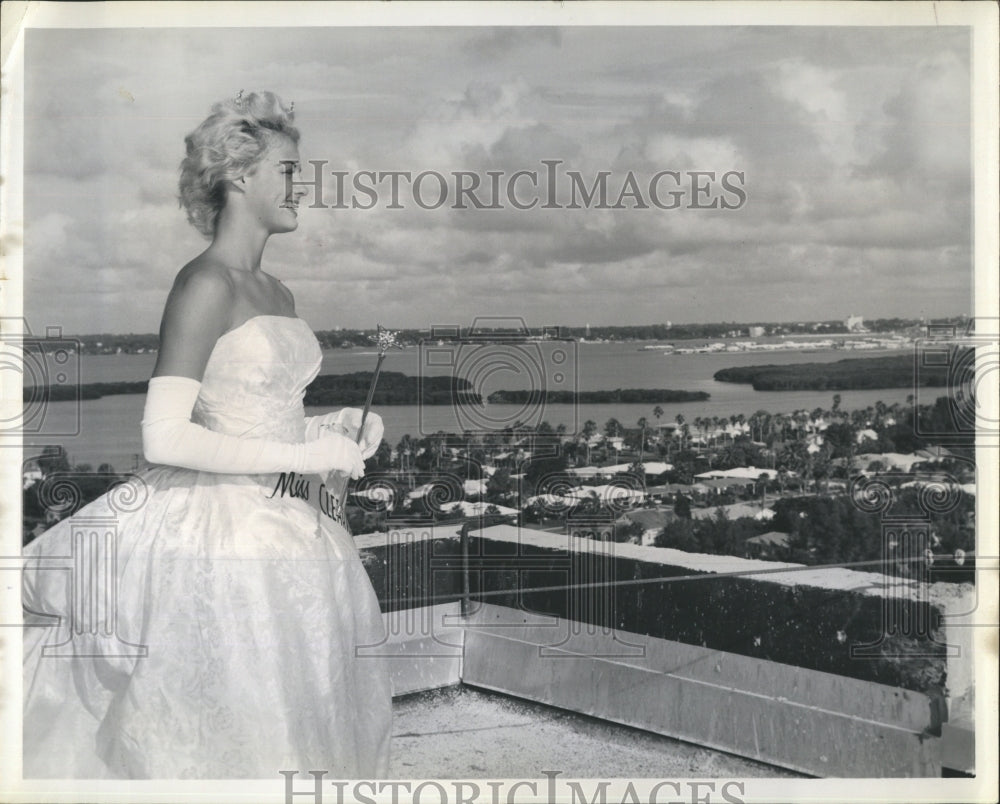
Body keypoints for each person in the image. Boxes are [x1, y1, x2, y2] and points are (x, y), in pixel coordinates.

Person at [21, 91, 393, 779]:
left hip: (293, 526)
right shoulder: (202, 284)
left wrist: (331, 427)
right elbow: (165, 438)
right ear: (240, 176)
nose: (302, 185)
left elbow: (257, 414)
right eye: (288, 169)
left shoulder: (279, 294)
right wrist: (305, 454)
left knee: (305, 718)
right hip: (221, 536)